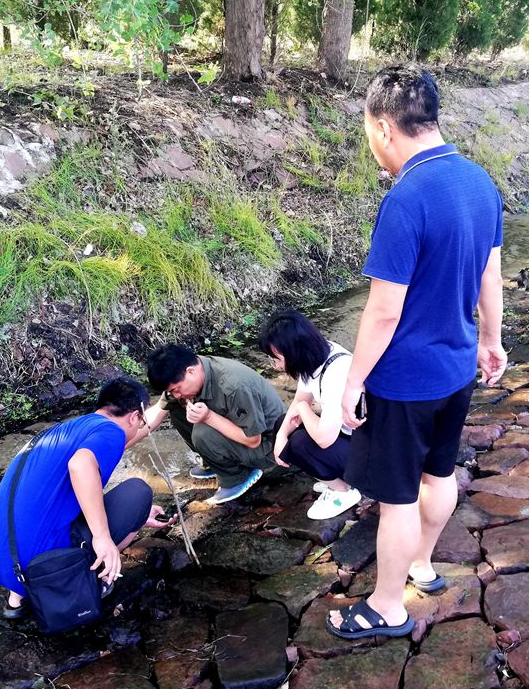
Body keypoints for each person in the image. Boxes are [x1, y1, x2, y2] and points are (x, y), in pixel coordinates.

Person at [328, 67, 507, 640]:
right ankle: (423, 565)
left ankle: (387, 605)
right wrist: (490, 340)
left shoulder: (406, 198)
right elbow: (491, 274)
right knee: (440, 472)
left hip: (405, 380)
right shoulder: (480, 181)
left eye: (368, 131)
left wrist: (353, 381)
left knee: (397, 499)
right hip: (456, 369)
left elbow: (382, 312)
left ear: (383, 127)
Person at [0, 377, 176, 619]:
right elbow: (81, 466)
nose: (140, 425)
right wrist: (102, 537)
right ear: (133, 416)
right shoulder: (110, 431)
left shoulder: (64, 431)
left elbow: (129, 439)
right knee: (138, 492)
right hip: (37, 568)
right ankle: (89, 580)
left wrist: (163, 405)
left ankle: (16, 601)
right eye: (140, 420)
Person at [138, 344, 286, 505]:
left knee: (203, 432)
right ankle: (213, 460)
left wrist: (208, 417)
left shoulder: (233, 384)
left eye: (176, 389)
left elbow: (252, 440)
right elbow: (156, 413)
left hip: (270, 446)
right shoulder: (192, 373)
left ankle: (236, 476)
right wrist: (121, 439)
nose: (175, 394)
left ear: (190, 371)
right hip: (243, 433)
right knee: (176, 410)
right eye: (172, 391)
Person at [259, 309, 362, 520]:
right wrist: (280, 437)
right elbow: (299, 400)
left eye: (276, 359)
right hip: (349, 435)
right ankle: (333, 478)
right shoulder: (315, 356)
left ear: (295, 352)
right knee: (282, 424)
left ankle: (343, 491)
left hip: (369, 450)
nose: (276, 365)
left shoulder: (337, 371)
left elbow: (324, 439)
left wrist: (303, 410)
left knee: (300, 442)